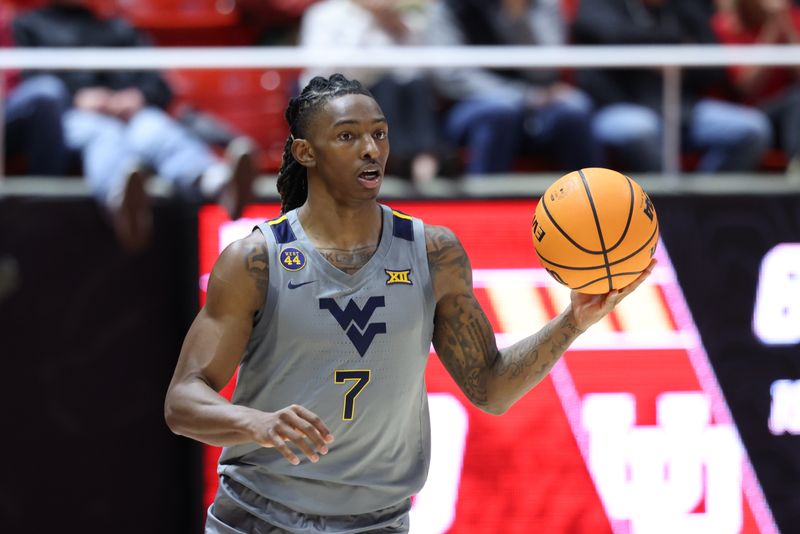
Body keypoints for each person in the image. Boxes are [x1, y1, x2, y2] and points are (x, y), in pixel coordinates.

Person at [164, 73, 655, 533]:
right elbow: (183, 401)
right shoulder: (255, 260)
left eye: (379, 134)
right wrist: (258, 423)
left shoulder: (434, 252)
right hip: (258, 516)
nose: (370, 149)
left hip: (379, 521)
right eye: (347, 136)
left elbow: (490, 389)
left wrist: (572, 321)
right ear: (304, 152)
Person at [12, 0, 257, 251]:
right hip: (71, 118)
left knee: (154, 127)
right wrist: (77, 98)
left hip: (130, 117)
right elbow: (32, 89)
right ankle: (123, 201)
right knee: (102, 134)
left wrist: (137, 97)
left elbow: (159, 85)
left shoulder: (120, 28)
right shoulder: (29, 25)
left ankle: (216, 182)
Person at [572, 0, 772, 173]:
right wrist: (674, 47)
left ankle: (700, 203)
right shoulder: (599, 4)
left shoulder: (684, 6)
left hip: (682, 109)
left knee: (753, 129)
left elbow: (715, 66)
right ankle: (660, 207)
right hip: (618, 105)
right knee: (641, 129)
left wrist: (662, 54)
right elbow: (612, 35)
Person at [427, 0, 603, 174]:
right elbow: (451, 77)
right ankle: (485, 198)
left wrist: (518, 17)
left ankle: (590, 195)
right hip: (470, 106)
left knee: (574, 109)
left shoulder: (543, 4)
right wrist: (524, 96)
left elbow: (545, 70)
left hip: (540, 104)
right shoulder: (449, 7)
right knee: (500, 112)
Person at [299, 0, 441, 184]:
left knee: (414, 85)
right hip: (338, 93)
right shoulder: (324, 14)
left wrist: (398, 27)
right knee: (386, 86)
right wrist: (367, 21)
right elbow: (323, 69)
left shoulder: (397, 15)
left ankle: (423, 159)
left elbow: (420, 67)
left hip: (394, 89)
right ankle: (395, 161)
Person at [712, 0, 800, 171]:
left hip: (789, 113)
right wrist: (772, 29)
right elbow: (746, 86)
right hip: (746, 113)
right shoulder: (727, 23)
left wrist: (784, 25)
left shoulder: (793, 18)